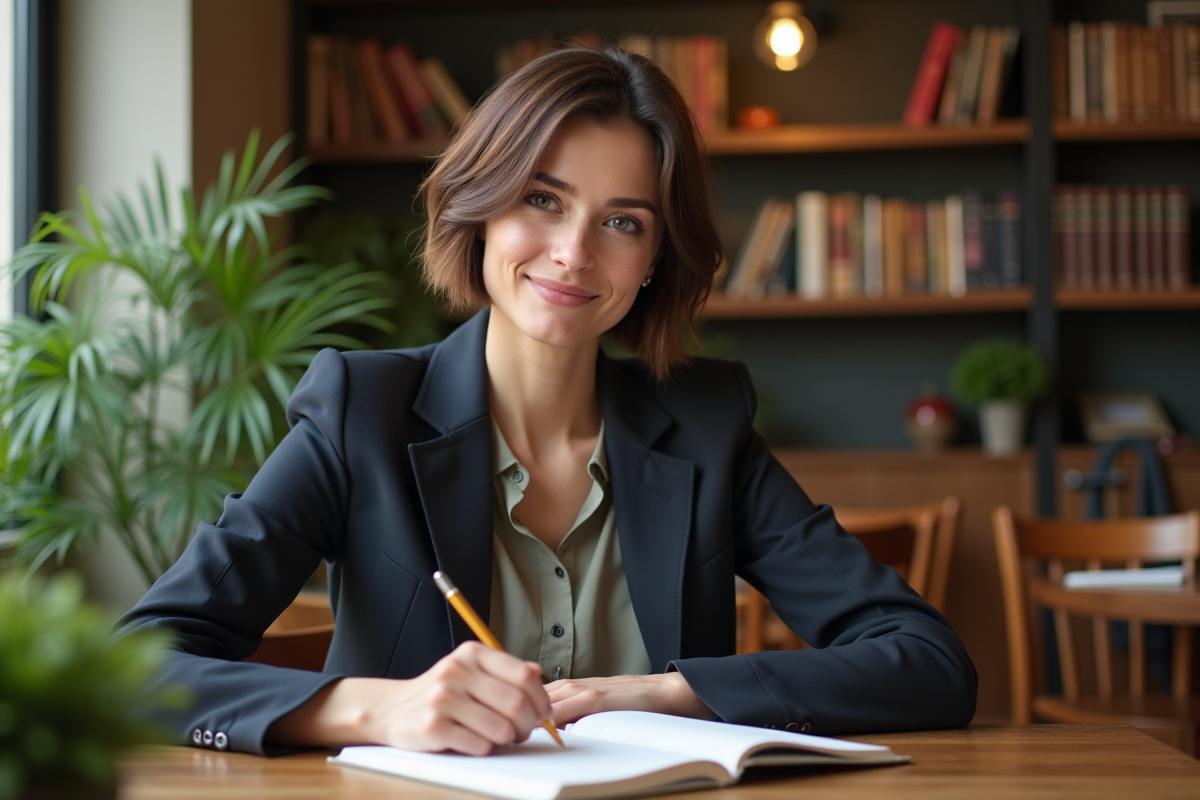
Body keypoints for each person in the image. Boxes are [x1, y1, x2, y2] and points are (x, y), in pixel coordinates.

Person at [116, 46, 976, 757]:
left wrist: (671, 693)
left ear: (654, 263)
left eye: (623, 222)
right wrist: (376, 711)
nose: (573, 253)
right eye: (542, 200)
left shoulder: (707, 428)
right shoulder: (360, 414)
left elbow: (930, 663)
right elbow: (133, 665)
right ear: (482, 209)